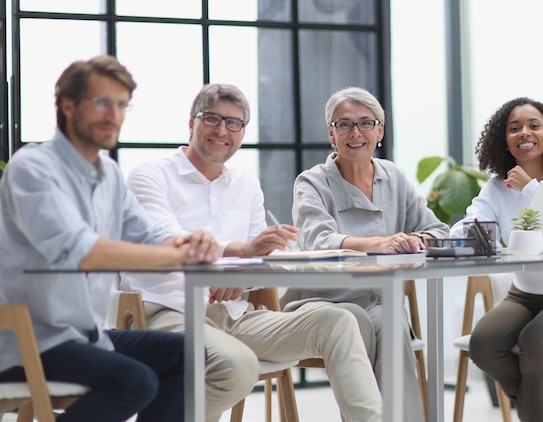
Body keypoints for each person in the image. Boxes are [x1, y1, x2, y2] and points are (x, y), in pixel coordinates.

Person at [120, 83, 383, 422]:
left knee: (338, 321)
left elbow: (262, 260)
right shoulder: (151, 175)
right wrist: (238, 257)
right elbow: (168, 241)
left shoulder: (245, 184)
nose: (222, 130)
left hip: (236, 315)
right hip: (171, 312)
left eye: (234, 123)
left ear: (243, 132)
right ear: (191, 123)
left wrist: (242, 274)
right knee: (236, 366)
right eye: (212, 118)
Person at [0, 56, 222, 422]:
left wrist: (189, 245)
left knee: (191, 353)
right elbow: (79, 251)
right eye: (102, 102)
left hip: (86, 338)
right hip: (26, 344)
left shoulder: (109, 175)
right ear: (67, 106)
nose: (114, 115)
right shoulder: (33, 168)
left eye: (121, 104)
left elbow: (150, 234)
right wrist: (176, 259)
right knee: (134, 381)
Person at [281, 86, 450, 421]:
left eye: (365, 123)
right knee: (355, 321)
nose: (355, 133)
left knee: (390, 322)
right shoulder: (311, 182)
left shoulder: (395, 177)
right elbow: (318, 240)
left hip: (381, 300)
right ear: (331, 132)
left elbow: (438, 232)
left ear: (380, 130)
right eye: (344, 124)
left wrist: (413, 240)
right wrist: (380, 243)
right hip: (322, 302)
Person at [450, 97, 543, 422]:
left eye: (533, 125)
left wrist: (531, 189)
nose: (523, 133)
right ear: (503, 139)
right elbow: (477, 222)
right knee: (483, 344)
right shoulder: (497, 186)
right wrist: (459, 232)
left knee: (536, 340)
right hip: (523, 296)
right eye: (513, 128)